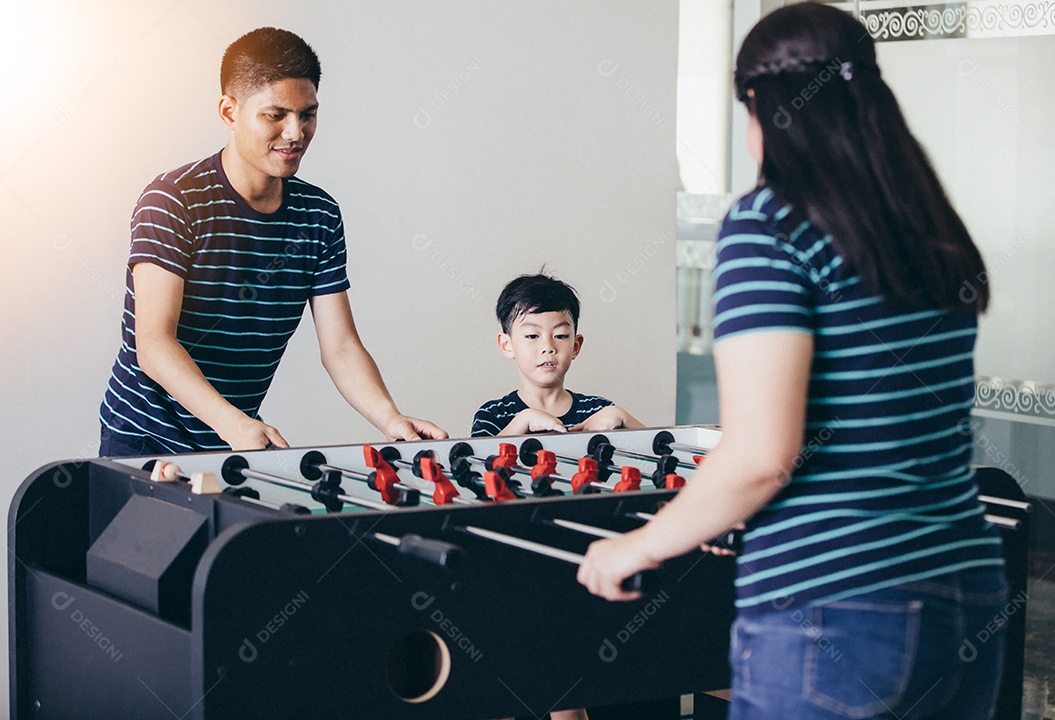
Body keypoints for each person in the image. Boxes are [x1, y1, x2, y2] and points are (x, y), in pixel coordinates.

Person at [577, 4, 1007, 719]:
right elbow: (870, 421)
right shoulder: (925, 225)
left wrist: (637, 546)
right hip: (966, 590)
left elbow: (760, 458)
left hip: (841, 607)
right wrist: (726, 514)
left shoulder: (766, 226)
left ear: (761, 106)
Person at [98, 27, 446, 457]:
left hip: (232, 440)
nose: (295, 132)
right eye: (275, 115)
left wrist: (390, 417)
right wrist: (234, 425)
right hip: (145, 439)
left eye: (308, 114)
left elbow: (340, 346)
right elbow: (153, 343)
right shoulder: (172, 199)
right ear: (229, 111)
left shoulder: (318, 215)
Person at [471, 272, 643, 437]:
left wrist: (622, 416)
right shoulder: (493, 416)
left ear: (576, 346)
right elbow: (476, 464)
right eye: (532, 336)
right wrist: (521, 422)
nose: (548, 347)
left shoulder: (598, 412)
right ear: (507, 345)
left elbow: (663, 460)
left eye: (560, 336)